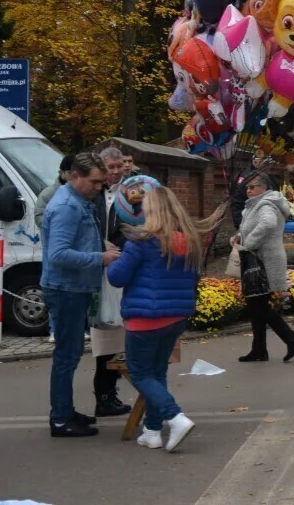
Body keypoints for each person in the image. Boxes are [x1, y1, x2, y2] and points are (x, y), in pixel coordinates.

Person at [106, 186, 206, 451]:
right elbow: (194, 278)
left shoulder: (140, 242)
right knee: (157, 373)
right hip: (176, 317)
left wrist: (112, 260)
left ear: (150, 210)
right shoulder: (190, 241)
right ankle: (152, 431)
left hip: (145, 319)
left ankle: (175, 417)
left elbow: (117, 278)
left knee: (140, 374)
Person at [42, 153, 120, 437]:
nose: (99, 187)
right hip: (66, 290)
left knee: (70, 354)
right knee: (66, 357)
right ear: (75, 176)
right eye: (94, 182)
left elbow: (76, 242)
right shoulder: (67, 207)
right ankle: (61, 420)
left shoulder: (77, 200)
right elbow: (59, 254)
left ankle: (65, 410)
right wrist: (100, 257)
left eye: (101, 182)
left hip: (73, 289)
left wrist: (100, 246)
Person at [233, 173, 294, 363]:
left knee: (259, 306)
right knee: (256, 305)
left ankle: (291, 338)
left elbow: (268, 223)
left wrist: (249, 243)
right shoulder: (255, 204)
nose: (248, 190)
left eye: (253, 187)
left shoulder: (266, 204)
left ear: (264, 188)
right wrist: (239, 236)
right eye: (247, 187)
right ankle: (259, 349)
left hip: (264, 262)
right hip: (258, 261)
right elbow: (251, 226)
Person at [90, 146, 131, 418]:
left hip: (121, 265)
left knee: (120, 335)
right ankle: (104, 396)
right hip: (97, 269)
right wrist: (98, 244)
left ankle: (110, 393)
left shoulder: (132, 191)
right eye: (111, 167)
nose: (116, 172)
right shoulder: (93, 192)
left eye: (119, 166)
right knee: (104, 337)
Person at [36, 154, 75, 343]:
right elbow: (39, 217)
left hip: (74, 250)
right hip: (53, 249)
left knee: (74, 290)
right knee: (55, 288)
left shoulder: (82, 193)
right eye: (71, 172)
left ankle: (78, 327)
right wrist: (60, 226)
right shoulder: (48, 193)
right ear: (63, 172)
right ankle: (54, 329)